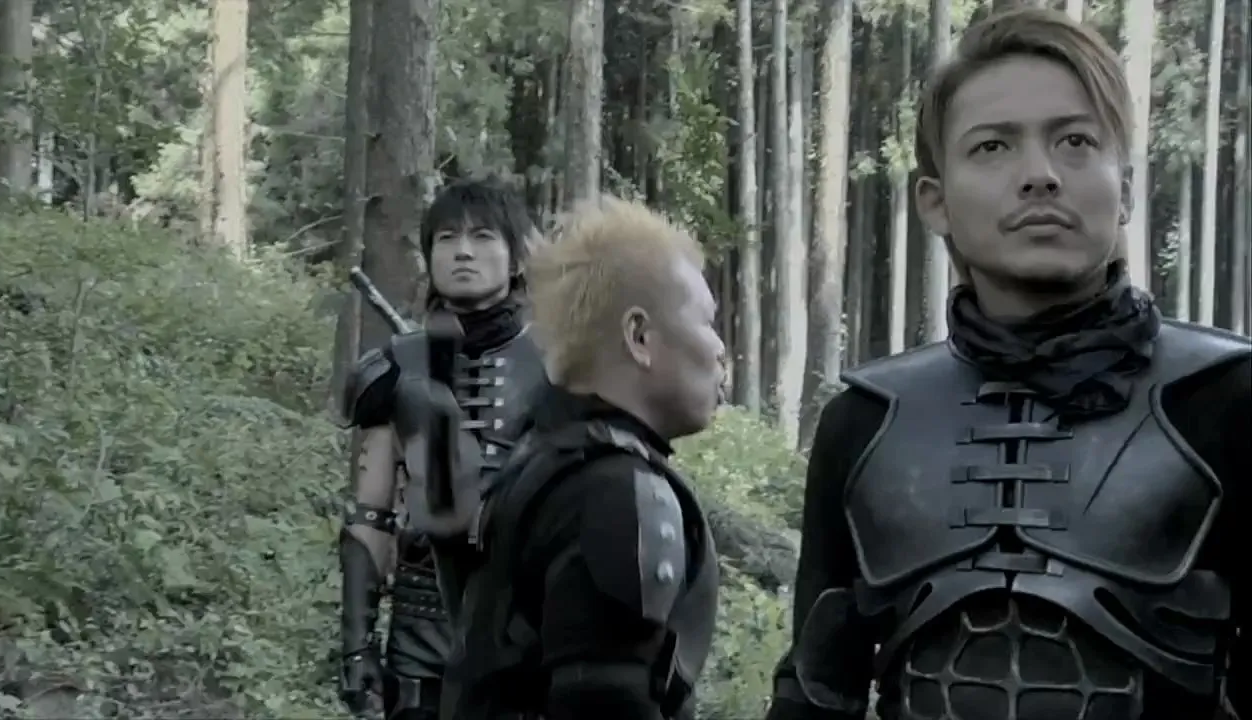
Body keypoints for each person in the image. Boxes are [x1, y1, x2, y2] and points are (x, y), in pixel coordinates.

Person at [765, 9, 1251, 720]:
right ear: (935, 201)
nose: (1040, 176)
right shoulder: (864, 424)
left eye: (1076, 141)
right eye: (993, 146)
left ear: (1125, 188)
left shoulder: (1228, 401)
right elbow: (815, 694)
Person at [442, 196, 726, 720]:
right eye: (707, 321)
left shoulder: (540, 458)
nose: (719, 349)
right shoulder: (618, 494)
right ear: (639, 337)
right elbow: (606, 701)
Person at [338, 179, 550, 720]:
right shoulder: (395, 368)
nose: (463, 251)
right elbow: (370, 516)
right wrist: (357, 645)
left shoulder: (561, 365)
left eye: (483, 237)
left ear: (516, 257)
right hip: (419, 644)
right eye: (447, 238)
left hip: (529, 640)